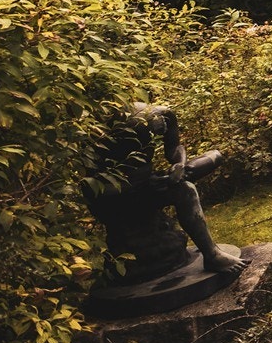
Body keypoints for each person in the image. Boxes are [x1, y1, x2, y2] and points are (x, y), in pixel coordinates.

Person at [86, 103, 245, 283]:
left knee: (212, 158)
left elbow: (175, 148)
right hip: (116, 196)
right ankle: (212, 253)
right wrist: (136, 184)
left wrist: (179, 165)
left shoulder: (163, 114)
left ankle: (212, 253)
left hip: (151, 184)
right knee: (186, 189)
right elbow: (90, 187)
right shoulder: (94, 128)